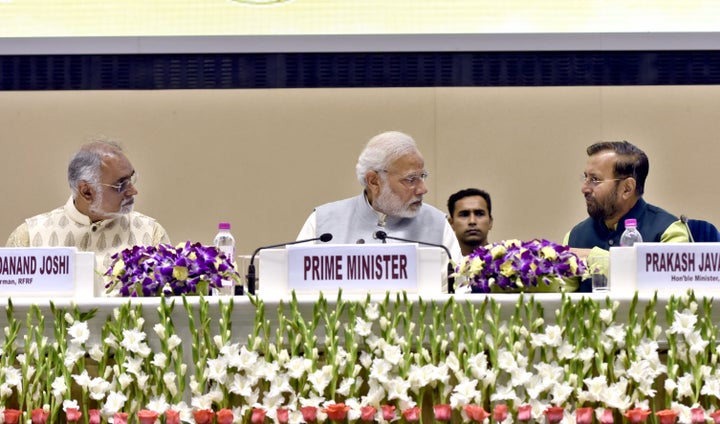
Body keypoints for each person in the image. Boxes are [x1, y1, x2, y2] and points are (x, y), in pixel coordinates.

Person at [297, 130, 461, 292]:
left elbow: (457, 295)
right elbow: (295, 291)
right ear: (374, 181)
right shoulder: (322, 222)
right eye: (411, 179)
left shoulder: (437, 225)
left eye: (423, 176)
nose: (422, 189)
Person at [6, 140, 170, 295]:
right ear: (86, 191)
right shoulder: (29, 237)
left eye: (131, 179)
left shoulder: (151, 234)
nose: (133, 191)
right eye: (121, 184)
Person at [564, 140, 688, 251]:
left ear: (627, 189)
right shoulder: (574, 237)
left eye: (595, 179)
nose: (584, 188)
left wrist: (592, 257)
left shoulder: (668, 232)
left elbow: (666, 277)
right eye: (586, 177)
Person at [447, 188, 493, 256]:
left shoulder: (508, 263)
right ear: (451, 223)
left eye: (479, 214)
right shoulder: (441, 264)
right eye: (464, 215)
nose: (472, 221)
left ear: (490, 222)